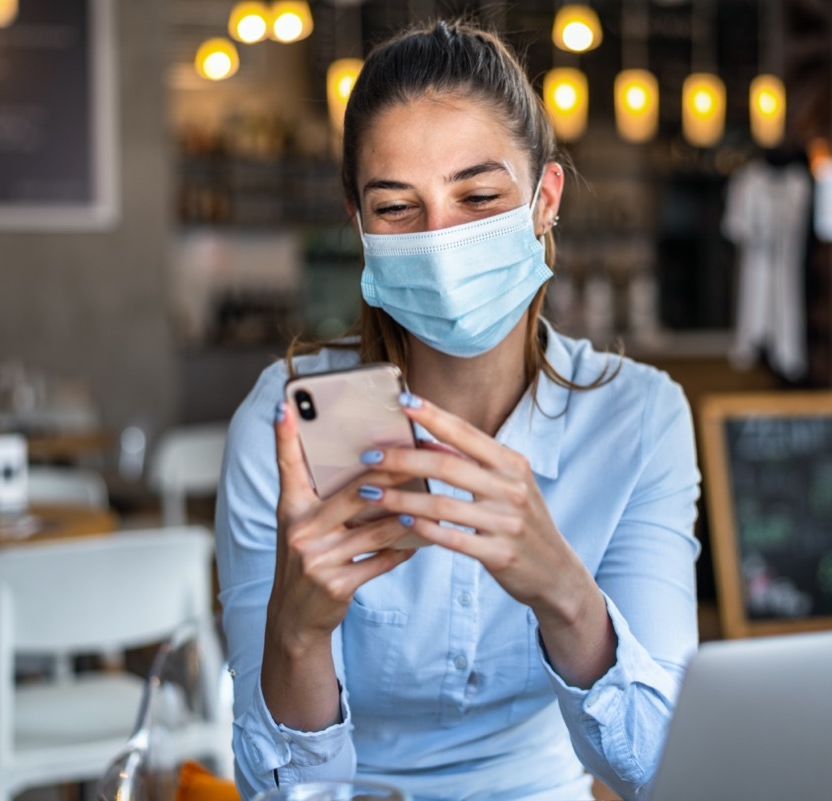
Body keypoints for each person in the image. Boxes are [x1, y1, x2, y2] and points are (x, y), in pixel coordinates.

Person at [216, 19, 701, 801]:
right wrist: (296, 635)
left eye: (478, 196)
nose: (441, 241)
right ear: (360, 227)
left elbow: (661, 769)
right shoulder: (289, 426)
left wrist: (566, 596)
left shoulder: (637, 418)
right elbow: (276, 790)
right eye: (398, 208)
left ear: (545, 200)